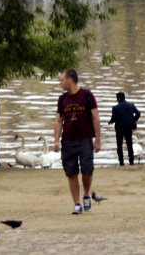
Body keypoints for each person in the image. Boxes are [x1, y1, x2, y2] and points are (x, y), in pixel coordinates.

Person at [53, 68, 101, 214]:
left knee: (87, 170)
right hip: (68, 141)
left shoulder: (87, 95)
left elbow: (95, 118)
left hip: (85, 139)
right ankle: (77, 203)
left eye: (62, 80)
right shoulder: (62, 99)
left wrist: (97, 140)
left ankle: (86, 194)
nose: (60, 83)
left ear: (70, 80)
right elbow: (58, 120)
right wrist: (56, 140)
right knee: (71, 173)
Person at [108, 91, 141, 166]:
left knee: (119, 145)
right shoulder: (131, 105)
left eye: (117, 98)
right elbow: (138, 113)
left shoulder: (116, 108)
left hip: (119, 128)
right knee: (129, 144)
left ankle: (121, 162)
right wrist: (133, 120)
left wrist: (110, 122)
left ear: (119, 98)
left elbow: (114, 118)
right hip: (128, 127)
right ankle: (131, 161)